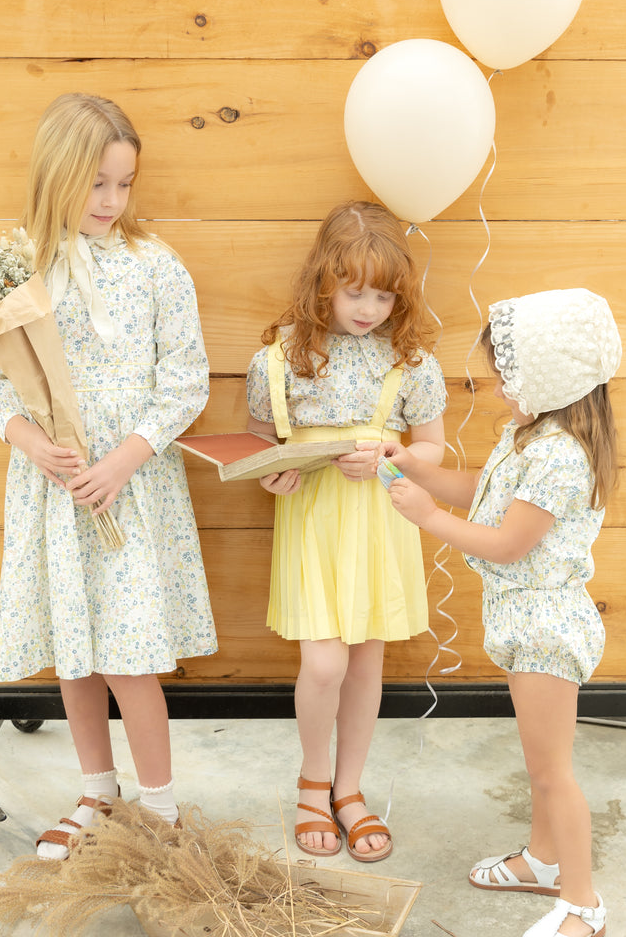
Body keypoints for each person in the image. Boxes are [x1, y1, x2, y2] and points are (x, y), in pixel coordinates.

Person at [0, 92, 217, 860]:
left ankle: (159, 809)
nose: (113, 201)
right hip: (55, 492)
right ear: (59, 175)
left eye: (124, 184)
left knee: (127, 654)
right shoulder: (16, 268)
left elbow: (185, 379)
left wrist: (123, 460)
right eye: (98, 184)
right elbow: (0, 383)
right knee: (76, 650)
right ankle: (97, 789)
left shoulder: (153, 267)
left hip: (130, 483)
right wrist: (31, 441)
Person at [377, 288, 620, 937]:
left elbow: (509, 544)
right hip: (522, 619)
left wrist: (430, 521)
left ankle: (583, 904)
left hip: (546, 628)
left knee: (552, 772)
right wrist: (419, 474)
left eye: (507, 379)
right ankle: (543, 860)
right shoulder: (528, 437)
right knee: (539, 763)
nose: (498, 390)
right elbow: (485, 498)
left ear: (548, 378)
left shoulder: (559, 457)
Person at [246, 201, 446, 862]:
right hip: (314, 520)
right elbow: (254, 445)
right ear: (322, 280)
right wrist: (268, 475)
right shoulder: (280, 360)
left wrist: (393, 456)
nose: (368, 307)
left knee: (366, 662)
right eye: (354, 290)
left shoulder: (410, 362)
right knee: (325, 661)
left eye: (384, 295)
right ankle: (313, 780)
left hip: (379, 522)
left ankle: (350, 790)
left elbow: (433, 452)